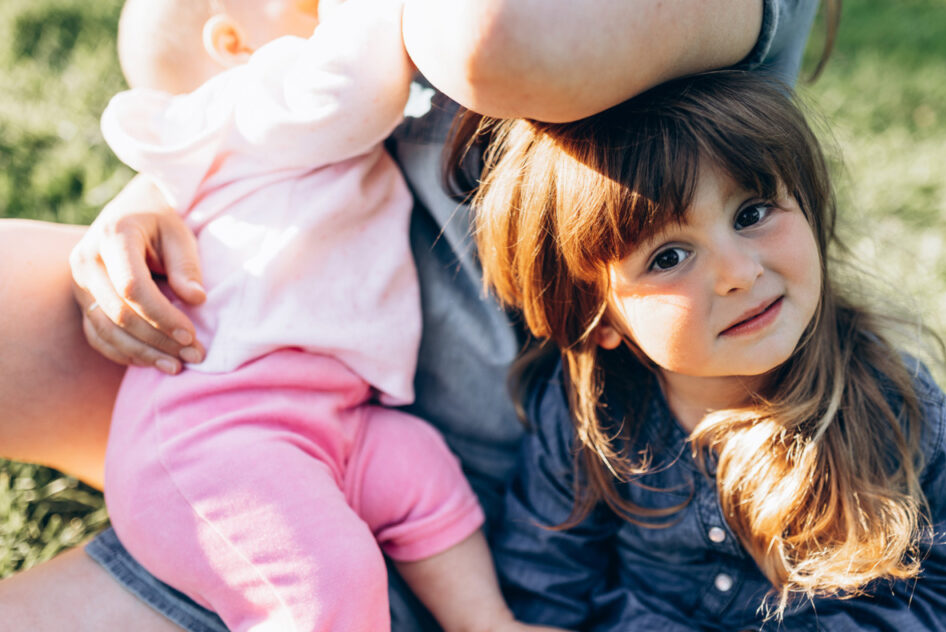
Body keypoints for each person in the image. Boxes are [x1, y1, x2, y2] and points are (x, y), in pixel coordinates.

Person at [0, 1, 833, 630]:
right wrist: (164, 190)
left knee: (320, 577)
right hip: (283, 405)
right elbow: (258, 107)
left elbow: (489, 38)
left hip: (499, 485)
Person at [468, 70, 946, 629]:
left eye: (751, 214)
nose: (738, 272)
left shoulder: (895, 406)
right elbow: (545, 590)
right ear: (598, 319)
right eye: (669, 257)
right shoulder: (589, 421)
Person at [86, 0, 567, 630]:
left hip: (329, 419)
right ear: (232, 44)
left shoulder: (249, 137)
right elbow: (354, 88)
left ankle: (485, 622)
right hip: (220, 432)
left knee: (421, 470)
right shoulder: (251, 101)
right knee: (327, 580)